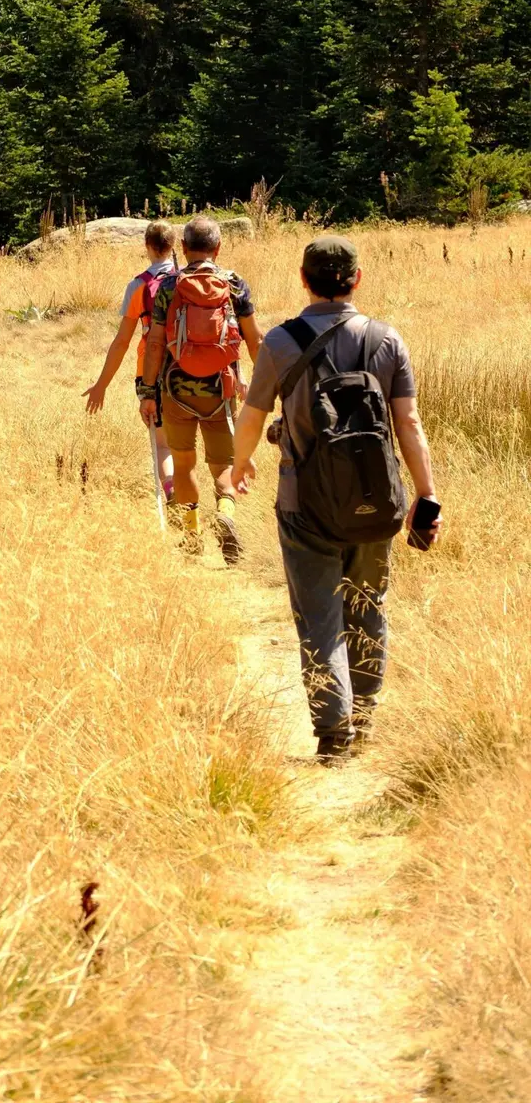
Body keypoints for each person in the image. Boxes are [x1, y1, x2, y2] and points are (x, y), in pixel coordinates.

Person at [231, 233, 440, 765]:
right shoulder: (386, 340)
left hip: (304, 504)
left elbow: (252, 415)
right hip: (376, 504)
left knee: (319, 615)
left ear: (304, 280)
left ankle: (333, 731)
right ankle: (364, 716)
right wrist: (425, 493)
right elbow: (408, 422)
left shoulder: (281, 342)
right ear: (357, 280)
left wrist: (240, 464)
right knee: (368, 607)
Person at [139, 215, 261, 562]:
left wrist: (149, 393)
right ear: (218, 248)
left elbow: (156, 343)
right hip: (220, 389)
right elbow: (255, 339)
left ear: (183, 248)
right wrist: (261, 390)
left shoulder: (169, 285)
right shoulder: (234, 284)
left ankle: (191, 536)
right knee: (223, 465)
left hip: (176, 388)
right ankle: (225, 513)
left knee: (183, 463)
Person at [84, 222, 178, 498]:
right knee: (184, 438)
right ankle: (192, 500)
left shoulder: (139, 286)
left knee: (162, 443)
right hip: (188, 367)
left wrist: (101, 385)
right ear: (173, 246)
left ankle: (171, 490)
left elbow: (122, 341)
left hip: (150, 370)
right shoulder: (186, 281)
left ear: (147, 246)